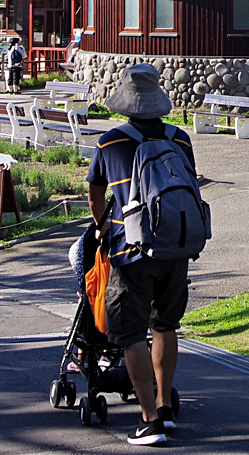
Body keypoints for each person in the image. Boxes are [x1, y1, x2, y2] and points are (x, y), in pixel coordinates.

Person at [87, 64, 195, 447]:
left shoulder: (110, 143)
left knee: (131, 333)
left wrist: (102, 225)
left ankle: (148, 421)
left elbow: (96, 196)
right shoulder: (179, 139)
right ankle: (165, 409)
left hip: (131, 252)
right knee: (165, 325)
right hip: (175, 247)